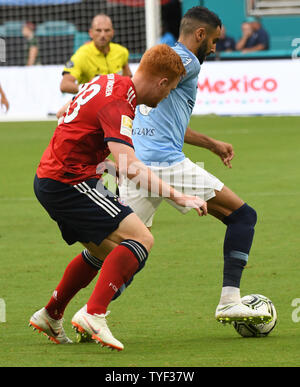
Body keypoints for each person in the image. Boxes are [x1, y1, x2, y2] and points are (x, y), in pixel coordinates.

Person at [29, 44, 207, 350]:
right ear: (162, 82)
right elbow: (129, 164)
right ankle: (94, 315)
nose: (166, 98)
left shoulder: (110, 81)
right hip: (70, 181)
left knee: (105, 252)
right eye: (169, 91)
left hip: (56, 177)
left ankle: (51, 313)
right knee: (141, 239)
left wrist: (108, 165)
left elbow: (78, 123)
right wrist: (179, 196)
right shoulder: (119, 101)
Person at [118, 7, 272, 325]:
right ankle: (230, 300)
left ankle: (77, 310)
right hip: (165, 164)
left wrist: (212, 144)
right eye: (214, 40)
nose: (215, 47)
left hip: (135, 164)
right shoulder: (185, 61)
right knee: (243, 217)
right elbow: (137, 92)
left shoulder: (165, 62)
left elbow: (167, 122)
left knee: (126, 249)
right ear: (200, 35)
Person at [60, 14, 132, 95]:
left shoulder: (122, 52)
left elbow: (128, 79)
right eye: (98, 30)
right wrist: (90, 89)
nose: (103, 35)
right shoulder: (82, 55)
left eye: (107, 30)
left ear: (112, 32)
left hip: (116, 101)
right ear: (91, 33)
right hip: (91, 103)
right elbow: (64, 85)